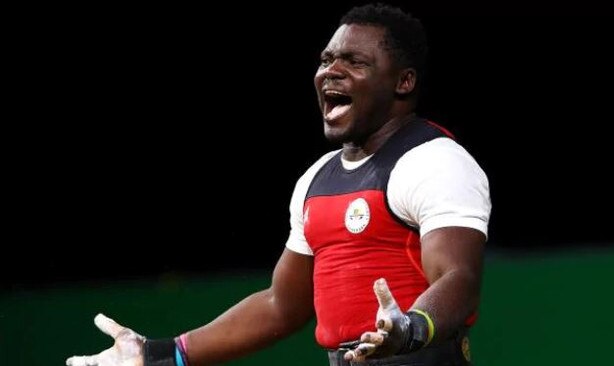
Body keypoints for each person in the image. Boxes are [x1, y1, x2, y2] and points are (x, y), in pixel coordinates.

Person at [66, 3, 491, 366]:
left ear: (404, 82)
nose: (332, 72)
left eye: (355, 63)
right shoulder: (317, 179)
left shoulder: (435, 161)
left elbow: (458, 278)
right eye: (326, 61)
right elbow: (280, 305)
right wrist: (158, 353)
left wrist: (413, 328)